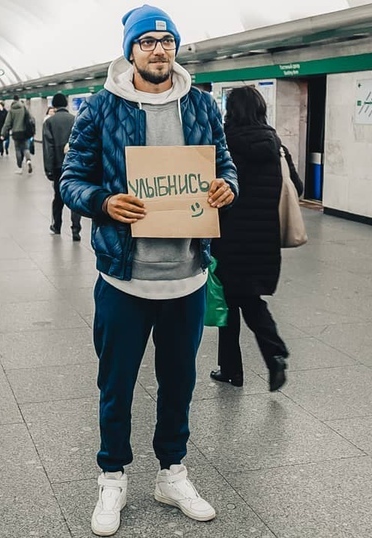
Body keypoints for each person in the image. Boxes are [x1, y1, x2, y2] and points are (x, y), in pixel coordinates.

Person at [59, 6, 238, 536]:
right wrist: (103, 201)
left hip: (187, 275)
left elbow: (224, 165)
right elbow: (72, 178)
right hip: (123, 276)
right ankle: (112, 478)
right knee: (116, 382)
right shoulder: (100, 109)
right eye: (148, 41)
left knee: (179, 381)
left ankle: (171, 473)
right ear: (131, 50)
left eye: (167, 41)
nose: (159, 49)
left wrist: (228, 187)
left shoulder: (203, 107)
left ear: (175, 49)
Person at [210, 85, 303, 391]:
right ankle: (255, 359)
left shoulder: (224, 144)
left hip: (229, 237)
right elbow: (297, 188)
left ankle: (246, 363)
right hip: (264, 239)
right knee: (246, 299)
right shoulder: (275, 144)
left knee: (235, 302)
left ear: (230, 111)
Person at [43, 93, 81, 240]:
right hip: (74, 165)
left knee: (58, 197)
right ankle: (76, 230)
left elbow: (48, 148)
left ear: (54, 105)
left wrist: (49, 169)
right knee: (74, 197)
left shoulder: (50, 122)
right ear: (65, 104)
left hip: (58, 166)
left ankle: (56, 226)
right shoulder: (75, 119)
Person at [0, 95, 33, 174]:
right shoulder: (24, 108)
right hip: (24, 132)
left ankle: (19, 167)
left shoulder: (11, 110)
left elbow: (7, 123)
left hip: (16, 132)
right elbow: (30, 118)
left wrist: (3, 133)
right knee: (25, 148)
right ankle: (28, 161)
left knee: (18, 149)